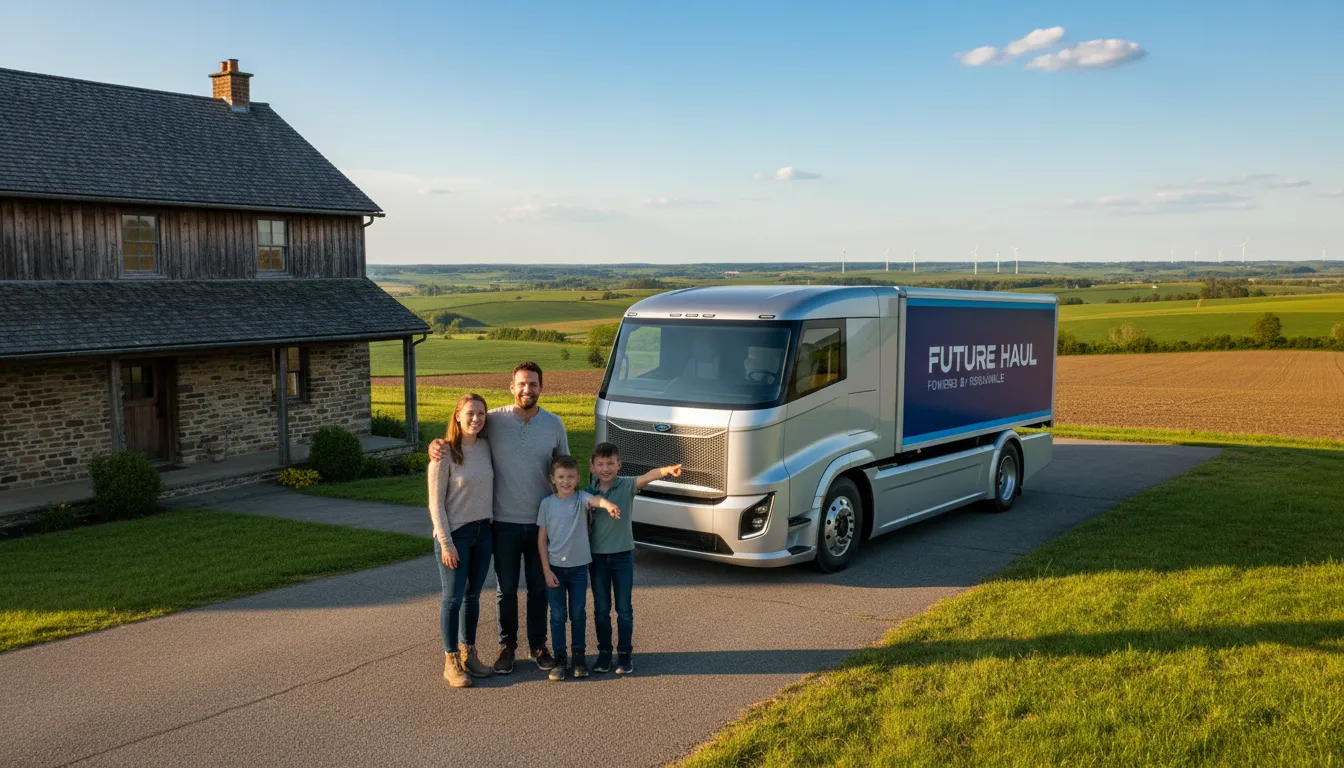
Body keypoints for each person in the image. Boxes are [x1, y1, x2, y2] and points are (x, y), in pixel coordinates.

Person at [429, 361, 569, 674]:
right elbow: (465, 428)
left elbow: (564, 472)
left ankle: (538, 645)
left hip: (541, 523)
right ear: (511, 387)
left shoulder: (554, 425)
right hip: (502, 523)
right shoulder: (494, 420)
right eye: (521, 384)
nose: (526, 390)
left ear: (541, 388)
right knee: (505, 589)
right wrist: (437, 444)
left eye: (533, 384)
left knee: (538, 588)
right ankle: (507, 647)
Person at [586, 443, 680, 675]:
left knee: (624, 609)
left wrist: (666, 470)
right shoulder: (588, 494)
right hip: (597, 560)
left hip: (622, 558)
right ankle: (604, 653)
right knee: (601, 609)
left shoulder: (626, 485)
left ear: (619, 465)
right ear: (592, 466)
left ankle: (625, 654)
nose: (605, 468)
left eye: (610, 463)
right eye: (600, 464)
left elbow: (647, 477)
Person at [427, 393, 495, 688]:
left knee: (473, 597)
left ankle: (469, 652)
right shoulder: (444, 454)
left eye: (481, 413)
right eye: (469, 413)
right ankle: (451, 660)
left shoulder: (487, 447)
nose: (476, 419)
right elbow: (435, 504)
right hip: (456, 535)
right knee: (452, 598)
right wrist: (446, 543)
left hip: (484, 533)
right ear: (457, 415)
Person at [537, 455, 621, 681]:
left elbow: (597, 501)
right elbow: (541, 540)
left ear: (578, 478)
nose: (566, 481)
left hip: (578, 570)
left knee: (578, 614)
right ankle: (560, 658)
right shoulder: (546, 504)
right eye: (561, 477)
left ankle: (579, 657)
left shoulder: (581, 498)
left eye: (571, 477)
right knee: (557, 616)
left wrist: (609, 505)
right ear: (553, 479)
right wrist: (546, 570)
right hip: (554, 568)